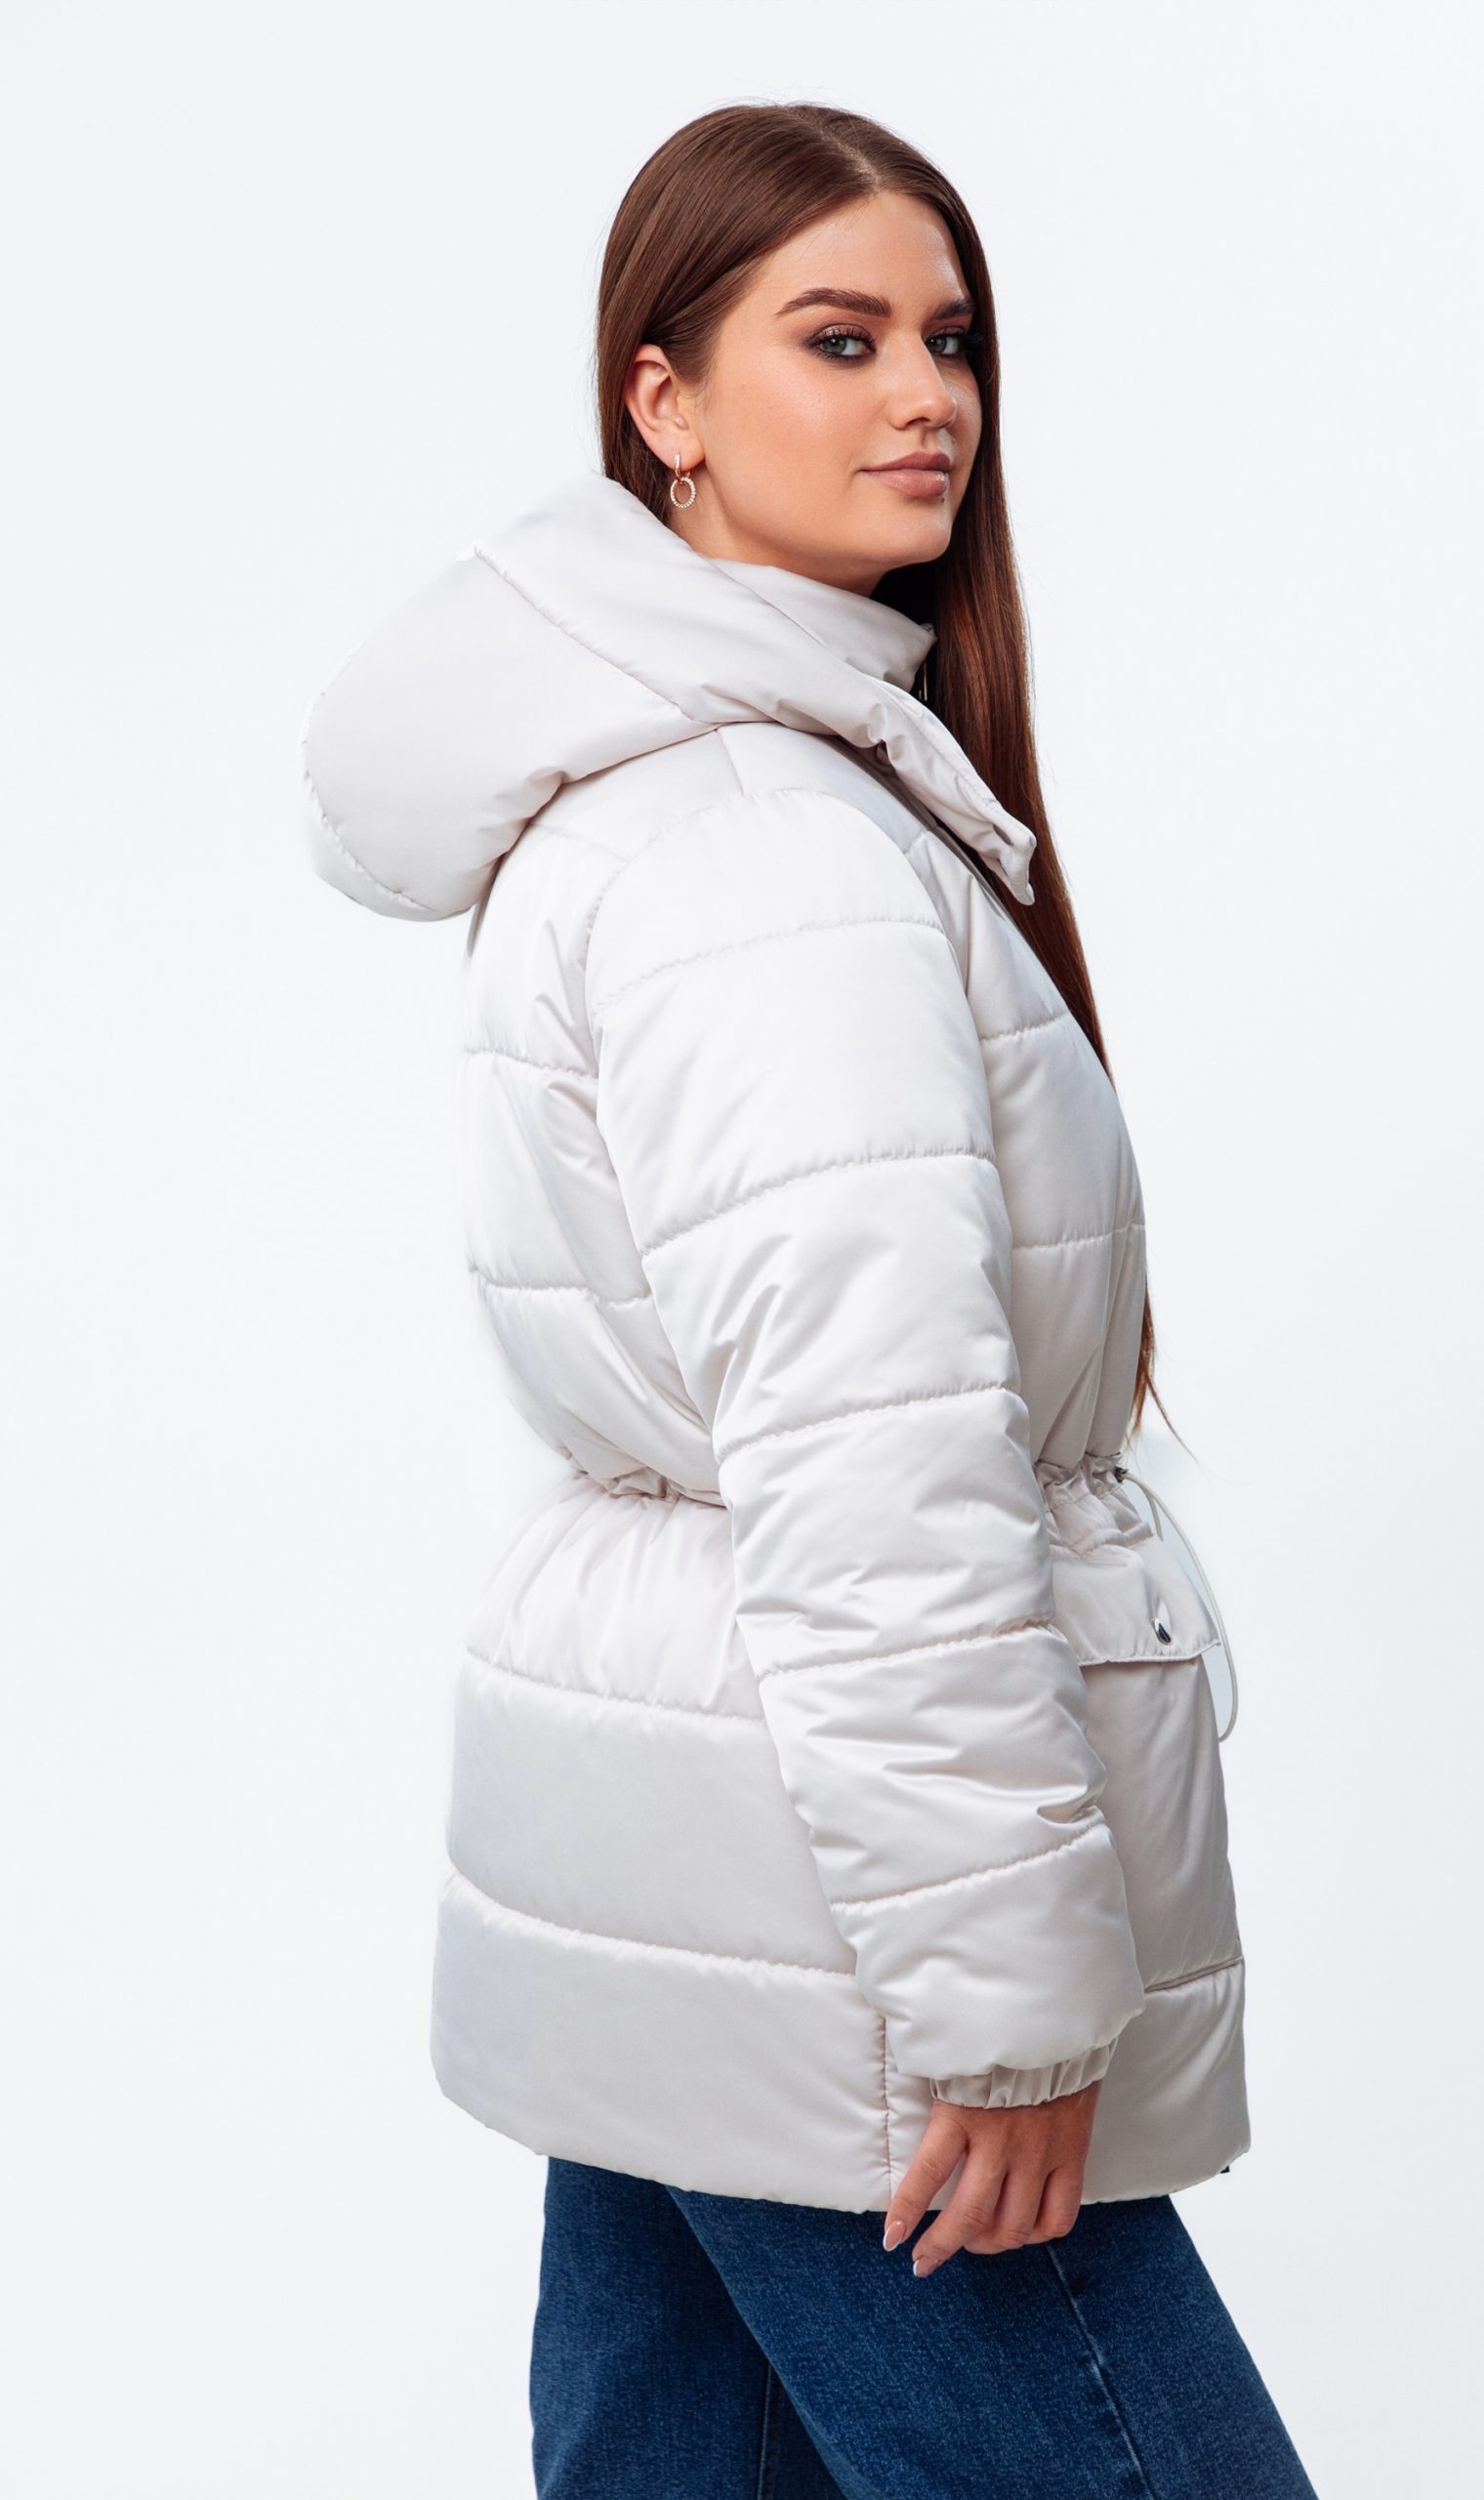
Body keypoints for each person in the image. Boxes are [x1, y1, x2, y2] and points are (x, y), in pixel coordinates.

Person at [301, 98, 1319, 2500]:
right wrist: (1002, 2000)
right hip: (835, 1922)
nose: (925, 395)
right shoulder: (770, 850)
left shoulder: (709, 796)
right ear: (659, 401)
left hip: (696, 1865)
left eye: (949, 340)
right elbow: (874, 1463)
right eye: (837, 338)